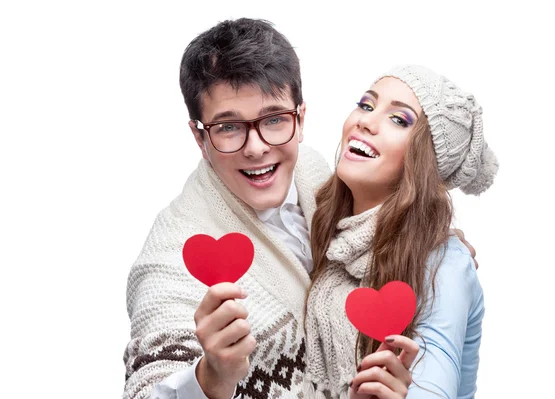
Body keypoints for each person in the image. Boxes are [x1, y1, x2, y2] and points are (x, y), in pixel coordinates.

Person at [122, 18, 478, 399]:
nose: (256, 148)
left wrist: (427, 233)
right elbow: (148, 387)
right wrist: (209, 379)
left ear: (301, 117)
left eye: (274, 119)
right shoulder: (170, 256)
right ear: (199, 136)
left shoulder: (315, 174)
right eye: (228, 128)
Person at [303, 65, 498, 398]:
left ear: (423, 161)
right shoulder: (325, 224)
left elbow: (436, 387)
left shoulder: (445, 265)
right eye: (366, 105)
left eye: (399, 120)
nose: (365, 120)